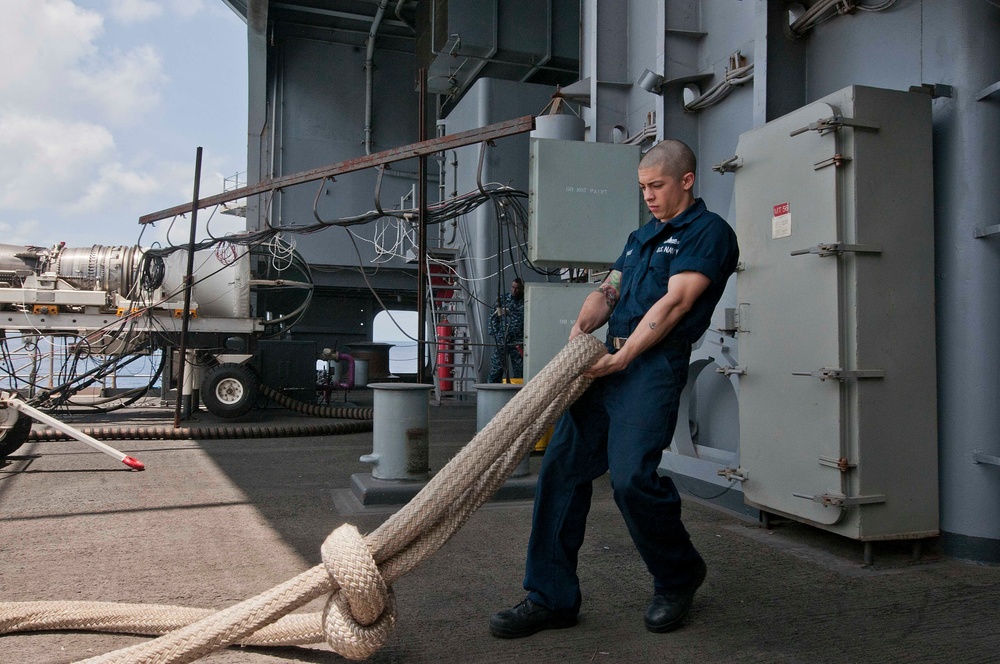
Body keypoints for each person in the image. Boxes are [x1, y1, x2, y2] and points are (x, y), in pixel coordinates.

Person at [489, 139, 739, 638]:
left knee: (631, 479)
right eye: (642, 187)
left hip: (651, 366)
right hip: (608, 362)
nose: (647, 195)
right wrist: (586, 320)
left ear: (686, 181)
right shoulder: (641, 235)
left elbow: (675, 304)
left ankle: (677, 576)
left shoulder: (709, 233)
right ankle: (550, 596)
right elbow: (614, 286)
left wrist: (625, 355)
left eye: (657, 186)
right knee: (561, 471)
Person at [487, 277, 525, 383]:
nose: (514, 290)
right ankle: (492, 391)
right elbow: (493, 318)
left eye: (517, 288)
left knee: (520, 369)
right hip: (502, 339)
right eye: (513, 287)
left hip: (518, 341)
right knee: (497, 367)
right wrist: (496, 334)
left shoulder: (526, 301)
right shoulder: (503, 300)